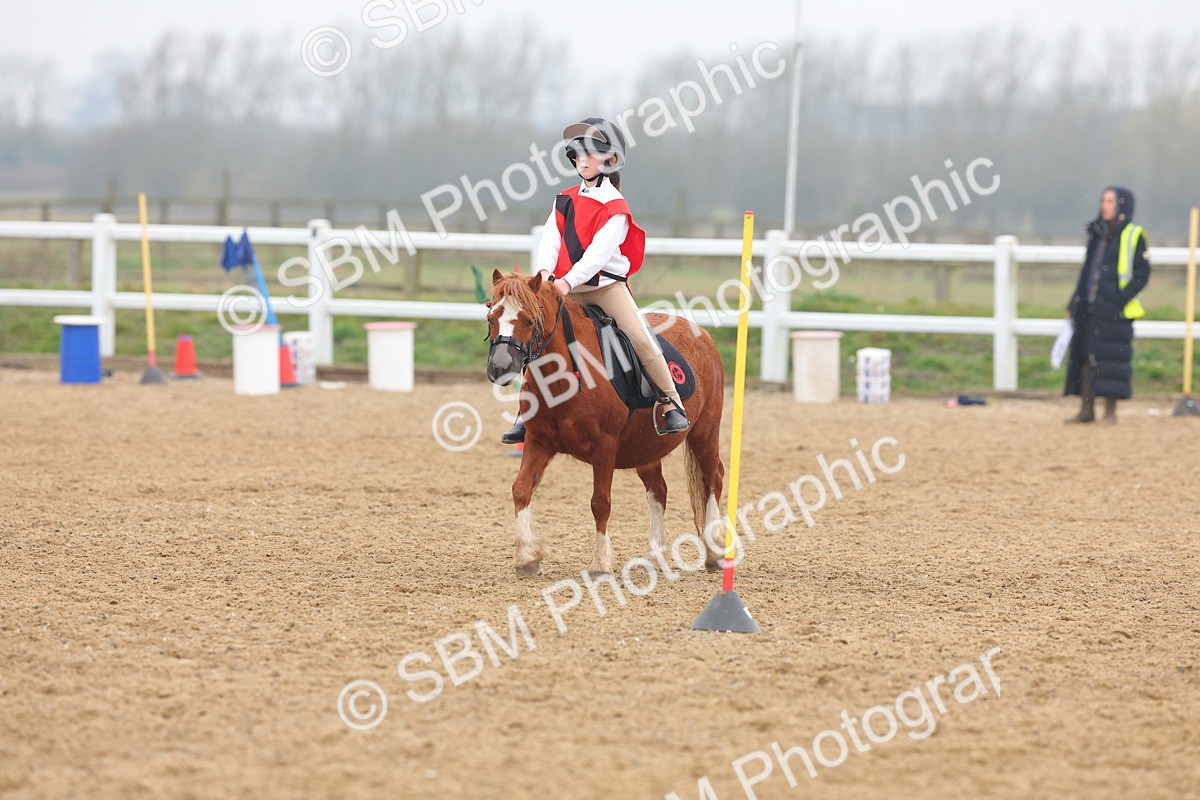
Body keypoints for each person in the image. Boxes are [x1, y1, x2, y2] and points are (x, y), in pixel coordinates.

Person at [501, 117, 689, 444]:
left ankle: (671, 402)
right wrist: (544, 273)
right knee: (537, 336)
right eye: (578, 154)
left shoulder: (615, 206)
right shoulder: (564, 198)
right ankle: (525, 411)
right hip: (565, 286)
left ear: (610, 159)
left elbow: (597, 256)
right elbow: (550, 239)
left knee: (639, 337)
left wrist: (565, 282)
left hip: (605, 289)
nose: (582, 160)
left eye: (591, 154)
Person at [1064, 186, 1151, 423]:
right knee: (1085, 356)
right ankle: (1086, 409)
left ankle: (1110, 411)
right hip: (1089, 306)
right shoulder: (1097, 234)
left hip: (1115, 310)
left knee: (1112, 360)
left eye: (1110, 201)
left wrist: (1121, 298)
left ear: (1122, 205)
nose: (1104, 205)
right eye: (1103, 200)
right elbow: (1087, 272)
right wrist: (1074, 302)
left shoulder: (1134, 235)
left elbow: (1142, 273)